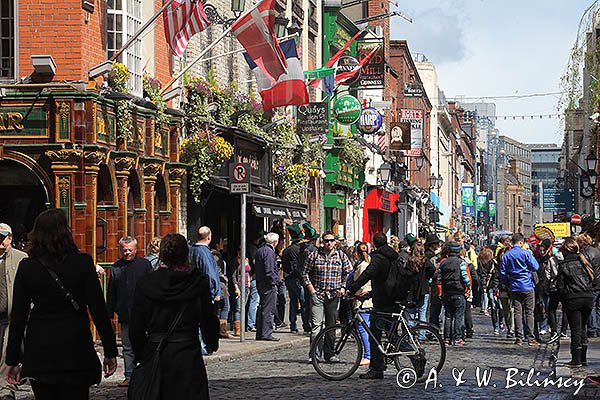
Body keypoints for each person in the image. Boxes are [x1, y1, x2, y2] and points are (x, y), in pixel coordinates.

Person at [5, 209, 117, 399]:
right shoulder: (82, 263)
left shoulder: (28, 267)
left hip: (42, 349)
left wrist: (12, 359)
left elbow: (18, 316)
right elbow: (98, 310)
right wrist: (110, 349)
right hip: (75, 347)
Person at [129, 233, 219, 399]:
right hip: (187, 355)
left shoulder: (147, 283)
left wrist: (142, 353)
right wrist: (211, 341)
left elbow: (136, 324)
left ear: (162, 255)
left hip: (157, 353)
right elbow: (208, 317)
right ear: (186, 254)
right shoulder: (197, 282)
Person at [349, 233, 400, 379]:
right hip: (392, 298)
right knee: (391, 335)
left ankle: (376, 369)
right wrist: (370, 293)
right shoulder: (393, 256)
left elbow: (367, 275)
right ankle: (378, 367)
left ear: (374, 244)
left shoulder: (378, 258)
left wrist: (352, 288)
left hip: (383, 302)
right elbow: (384, 279)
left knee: (375, 335)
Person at [106, 236, 152, 387]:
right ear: (120, 250)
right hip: (125, 314)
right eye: (124, 250)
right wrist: (109, 314)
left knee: (147, 344)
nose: (127, 253)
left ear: (136, 249)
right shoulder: (116, 267)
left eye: (130, 250)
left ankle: (147, 374)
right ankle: (129, 375)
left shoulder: (145, 265)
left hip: (145, 314)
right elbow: (112, 294)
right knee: (127, 346)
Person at [304, 231, 352, 359]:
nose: (329, 243)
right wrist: (311, 290)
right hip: (318, 294)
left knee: (331, 326)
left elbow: (348, 273)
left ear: (335, 242)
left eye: (331, 240)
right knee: (316, 326)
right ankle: (314, 354)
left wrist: (343, 287)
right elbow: (305, 273)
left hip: (334, 295)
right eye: (326, 240)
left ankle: (329, 354)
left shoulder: (341, 256)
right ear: (322, 242)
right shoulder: (314, 255)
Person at [556, 237, 596, 367]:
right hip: (588, 297)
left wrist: (563, 300)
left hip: (574, 298)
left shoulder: (563, 265)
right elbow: (592, 280)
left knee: (575, 329)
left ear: (565, 250)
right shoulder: (584, 261)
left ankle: (576, 359)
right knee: (583, 327)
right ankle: (583, 358)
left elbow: (560, 287)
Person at [0, 223, 27, 400]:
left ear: (10, 238)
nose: (0, 241)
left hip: (10, 316)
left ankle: (5, 390)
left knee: (6, 353)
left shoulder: (20, 258)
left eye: (3, 238)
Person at [500, 232, 540, 346]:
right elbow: (535, 267)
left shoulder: (507, 255)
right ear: (521, 242)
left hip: (514, 286)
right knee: (529, 312)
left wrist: (507, 283)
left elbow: (502, 273)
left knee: (517, 312)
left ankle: (519, 337)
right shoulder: (526, 253)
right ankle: (531, 337)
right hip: (527, 286)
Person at [189, 227, 221, 353]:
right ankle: (203, 347)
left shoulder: (191, 250)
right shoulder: (205, 253)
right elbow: (210, 274)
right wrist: (215, 292)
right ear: (209, 237)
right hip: (204, 293)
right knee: (204, 320)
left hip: (193, 291)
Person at [437, 241, 471, 346]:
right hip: (458, 291)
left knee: (448, 315)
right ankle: (457, 338)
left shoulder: (443, 262)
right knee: (458, 316)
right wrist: (468, 287)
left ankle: (447, 338)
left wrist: (440, 291)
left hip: (447, 291)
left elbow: (439, 279)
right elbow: (465, 276)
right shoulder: (461, 262)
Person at [282, 224, 309, 334]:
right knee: (303, 303)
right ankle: (305, 325)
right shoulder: (298, 250)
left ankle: (293, 325)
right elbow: (298, 267)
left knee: (293, 302)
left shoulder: (286, 250)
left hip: (289, 279)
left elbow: (284, 265)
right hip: (298, 280)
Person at [406, 241, 436, 339]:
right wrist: (427, 277)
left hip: (411, 289)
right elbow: (432, 269)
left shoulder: (409, 260)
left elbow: (405, 274)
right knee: (422, 312)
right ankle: (421, 335)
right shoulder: (425, 260)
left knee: (411, 313)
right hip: (423, 288)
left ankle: (410, 334)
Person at [254, 232, 281, 341]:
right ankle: (266, 333)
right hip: (267, 284)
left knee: (263, 307)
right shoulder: (269, 252)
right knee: (268, 309)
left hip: (261, 282)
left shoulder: (260, 250)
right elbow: (269, 270)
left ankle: (260, 332)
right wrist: (274, 282)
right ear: (275, 242)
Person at [351, 242, 373, 367]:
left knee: (363, 329)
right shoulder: (368, 263)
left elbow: (359, 282)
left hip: (363, 301)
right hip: (368, 300)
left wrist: (351, 291)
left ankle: (368, 355)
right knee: (367, 328)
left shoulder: (362, 265)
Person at [575, 234, 600, 338]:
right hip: (599, 282)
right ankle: (598, 329)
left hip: (592, 283)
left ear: (581, 242)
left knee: (591, 307)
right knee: (599, 307)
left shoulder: (584, 253)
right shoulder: (596, 251)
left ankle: (592, 329)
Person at [211, 237, 233, 339]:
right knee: (225, 306)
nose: (223, 245)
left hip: (218, 282)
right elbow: (218, 270)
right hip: (220, 283)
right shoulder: (216, 255)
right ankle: (222, 330)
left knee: (218, 307)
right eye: (221, 243)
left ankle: (218, 329)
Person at [478, 246, 503, 334]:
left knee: (498, 306)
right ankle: (497, 325)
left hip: (495, 286)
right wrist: (485, 285)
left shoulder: (494, 262)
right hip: (491, 286)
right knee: (495, 306)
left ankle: (499, 323)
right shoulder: (482, 263)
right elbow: (482, 274)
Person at [424, 234, 444, 331]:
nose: (438, 246)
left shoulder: (427, 254)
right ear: (433, 245)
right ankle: (432, 329)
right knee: (432, 310)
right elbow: (434, 272)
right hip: (432, 286)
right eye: (437, 244)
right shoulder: (431, 257)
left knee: (431, 310)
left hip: (430, 285)